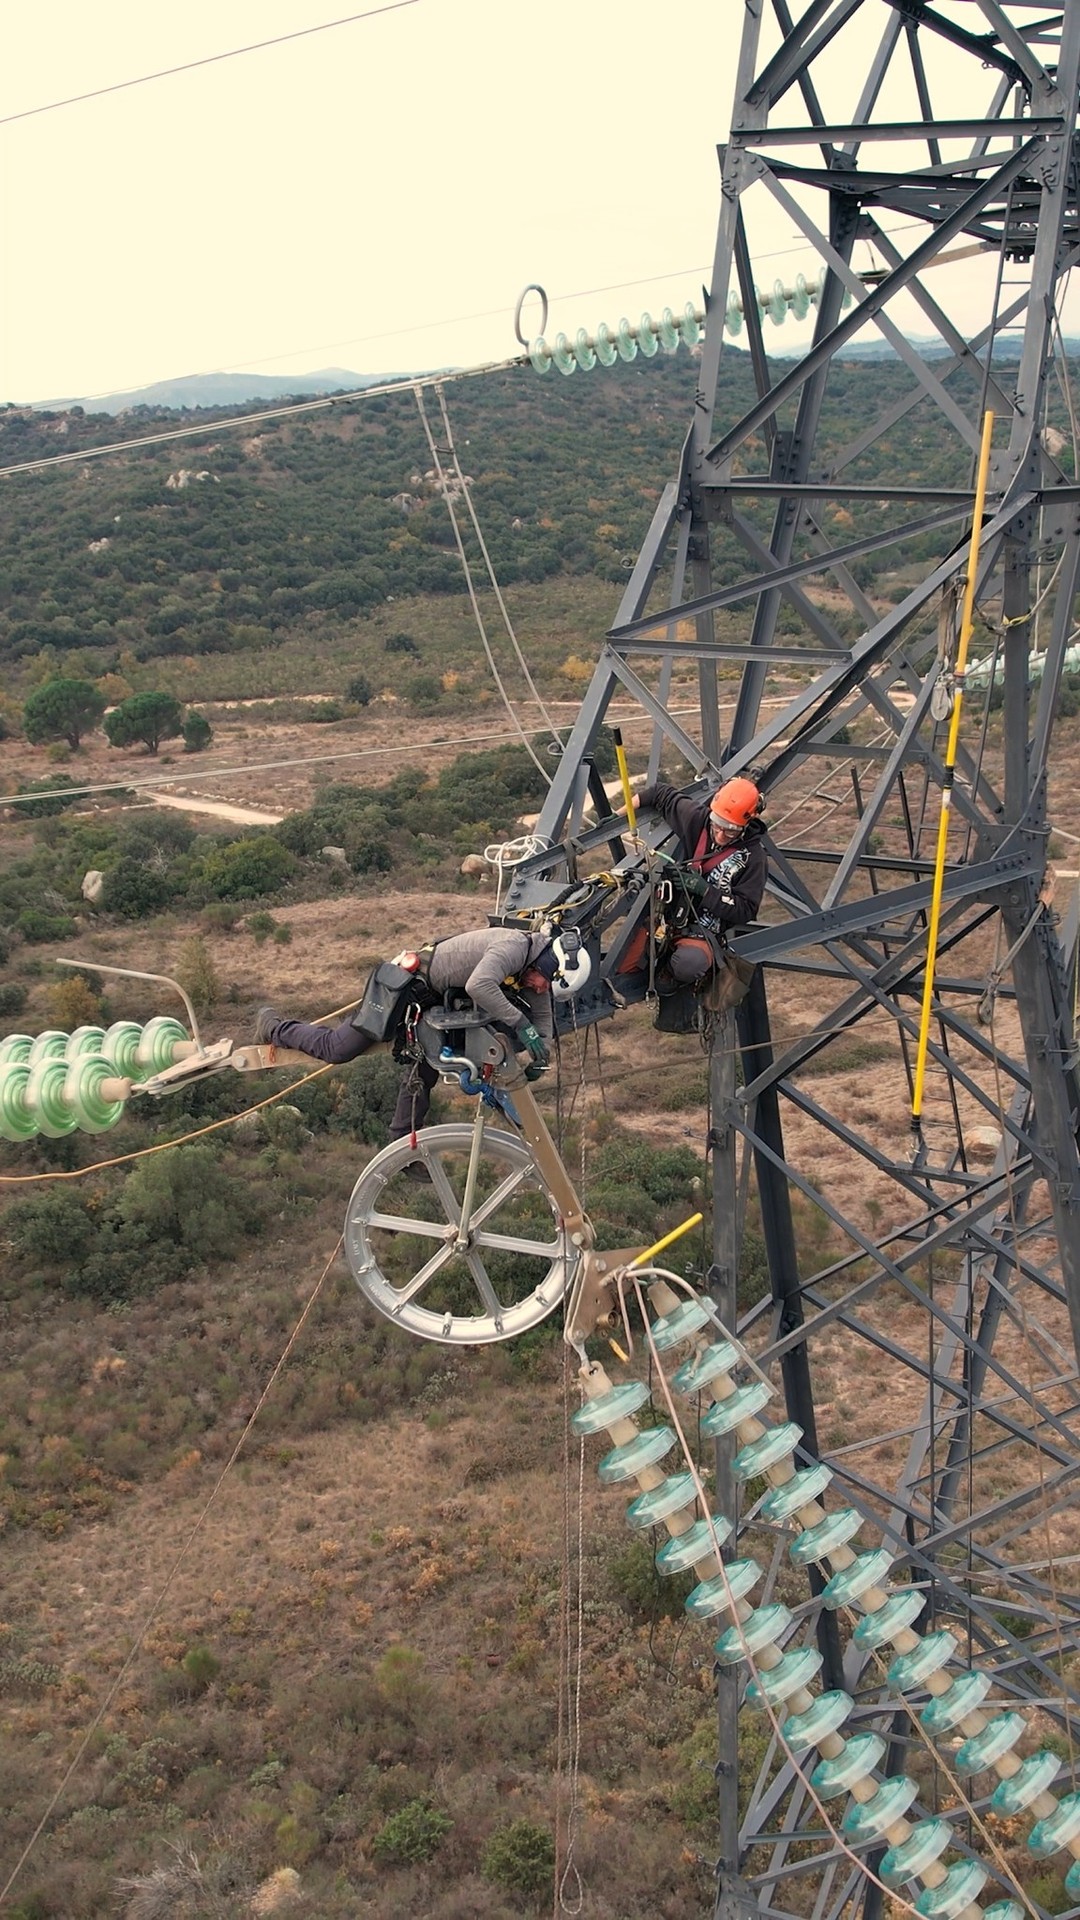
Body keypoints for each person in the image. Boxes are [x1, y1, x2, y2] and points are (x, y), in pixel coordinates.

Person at [254, 924, 591, 1144]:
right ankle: (272, 1025)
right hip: (407, 989)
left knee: (425, 1071)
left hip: (436, 1004)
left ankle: (401, 1141)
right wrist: (520, 1024)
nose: (541, 988)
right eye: (544, 981)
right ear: (549, 964)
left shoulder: (536, 971)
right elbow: (480, 985)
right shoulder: (514, 949)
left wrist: (540, 1055)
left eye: (546, 986)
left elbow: (544, 1021)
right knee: (337, 1048)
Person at [627, 775, 768, 991]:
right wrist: (619, 815)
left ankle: (671, 979)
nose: (721, 834)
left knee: (689, 964)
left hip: (704, 932)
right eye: (718, 824)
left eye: (731, 830)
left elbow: (746, 910)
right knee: (624, 963)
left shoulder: (753, 857)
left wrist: (705, 891)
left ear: (747, 823)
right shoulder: (699, 821)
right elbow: (659, 794)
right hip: (666, 920)